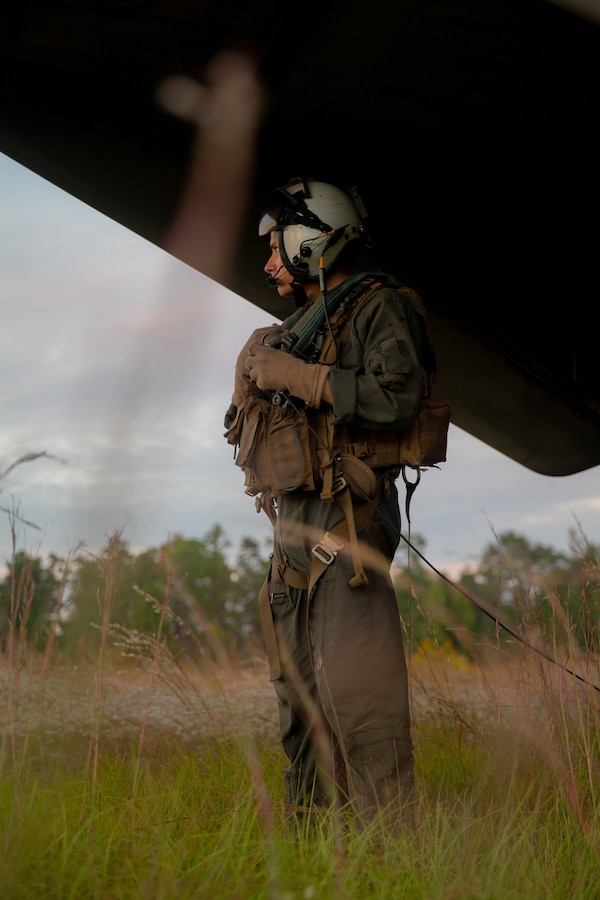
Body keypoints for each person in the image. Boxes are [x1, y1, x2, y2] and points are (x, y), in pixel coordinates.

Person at [224, 177, 427, 832]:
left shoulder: (378, 307)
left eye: (278, 248)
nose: (268, 264)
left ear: (314, 239)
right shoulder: (293, 328)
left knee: (363, 700)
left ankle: (391, 856)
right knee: (297, 698)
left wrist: (298, 377)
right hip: (293, 525)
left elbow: (398, 397)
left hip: (347, 521)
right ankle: (312, 846)